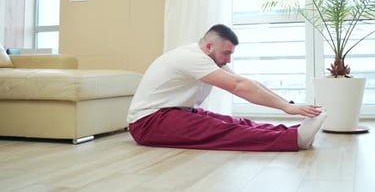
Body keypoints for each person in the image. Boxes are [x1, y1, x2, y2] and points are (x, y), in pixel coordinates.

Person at [127, 24, 327, 151]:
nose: (228, 59)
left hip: (173, 112)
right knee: (224, 130)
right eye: (226, 53)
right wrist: (286, 108)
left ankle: (293, 131)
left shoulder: (210, 59)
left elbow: (248, 83)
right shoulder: (191, 58)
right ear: (209, 47)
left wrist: (289, 104)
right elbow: (238, 86)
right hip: (148, 122)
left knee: (234, 121)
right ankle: (293, 139)